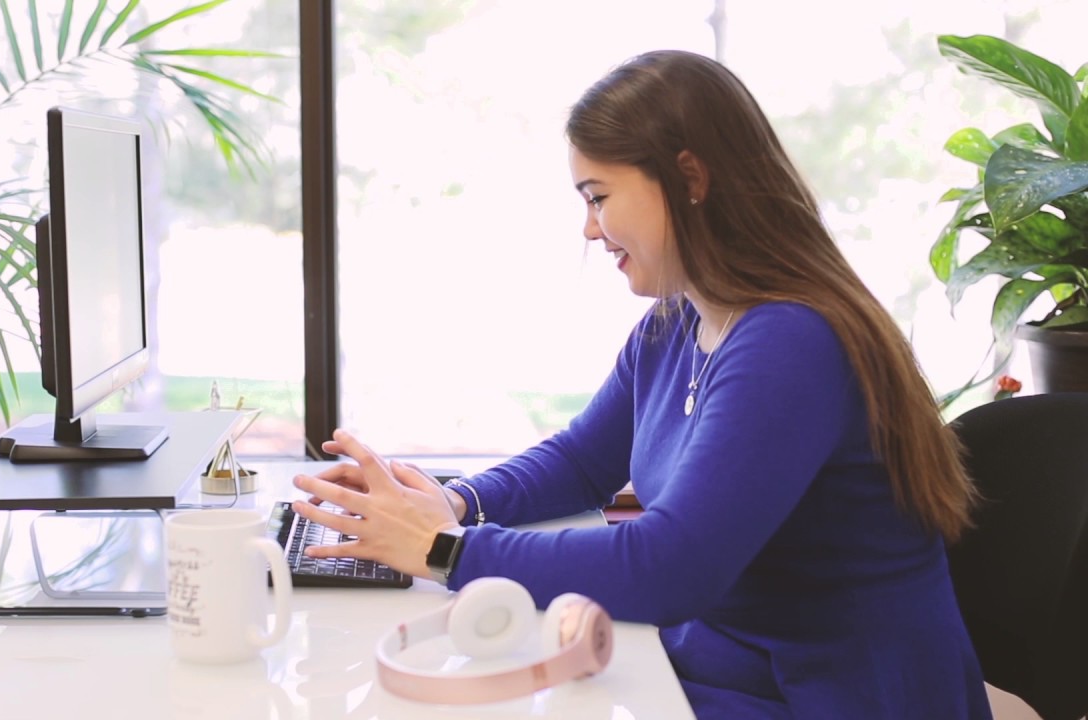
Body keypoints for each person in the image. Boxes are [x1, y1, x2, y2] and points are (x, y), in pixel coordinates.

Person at [291, 49, 993, 719]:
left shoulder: (791, 341)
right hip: (727, 667)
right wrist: (454, 501)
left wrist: (446, 550)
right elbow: (580, 461)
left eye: (598, 197)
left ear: (689, 178)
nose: (591, 230)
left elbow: (670, 567)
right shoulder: (678, 323)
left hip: (826, 697)